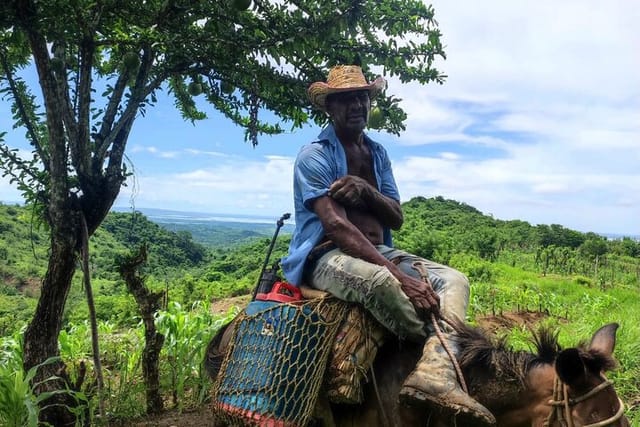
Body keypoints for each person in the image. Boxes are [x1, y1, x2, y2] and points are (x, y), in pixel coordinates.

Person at [281, 65, 495, 426]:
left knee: (455, 280)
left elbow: (396, 217)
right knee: (383, 284)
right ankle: (449, 351)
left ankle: (436, 370)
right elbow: (335, 224)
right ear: (329, 108)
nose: (356, 106)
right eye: (346, 100)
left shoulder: (377, 154)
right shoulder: (313, 155)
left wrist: (365, 191)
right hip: (328, 254)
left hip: (380, 250)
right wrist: (402, 278)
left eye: (362, 98)